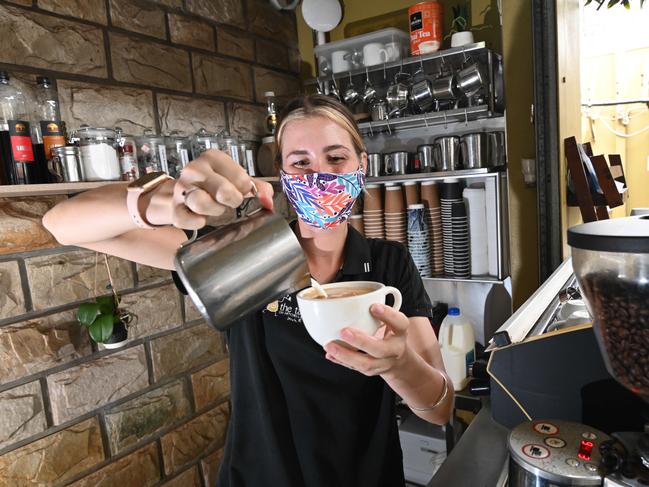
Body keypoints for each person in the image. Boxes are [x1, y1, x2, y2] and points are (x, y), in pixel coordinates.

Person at [43, 94, 453, 487]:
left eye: (335, 157)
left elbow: (440, 409)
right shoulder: (245, 255)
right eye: (301, 162)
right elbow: (61, 225)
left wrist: (398, 365)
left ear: (361, 164)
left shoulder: (389, 264)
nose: (319, 175)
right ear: (283, 174)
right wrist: (162, 203)